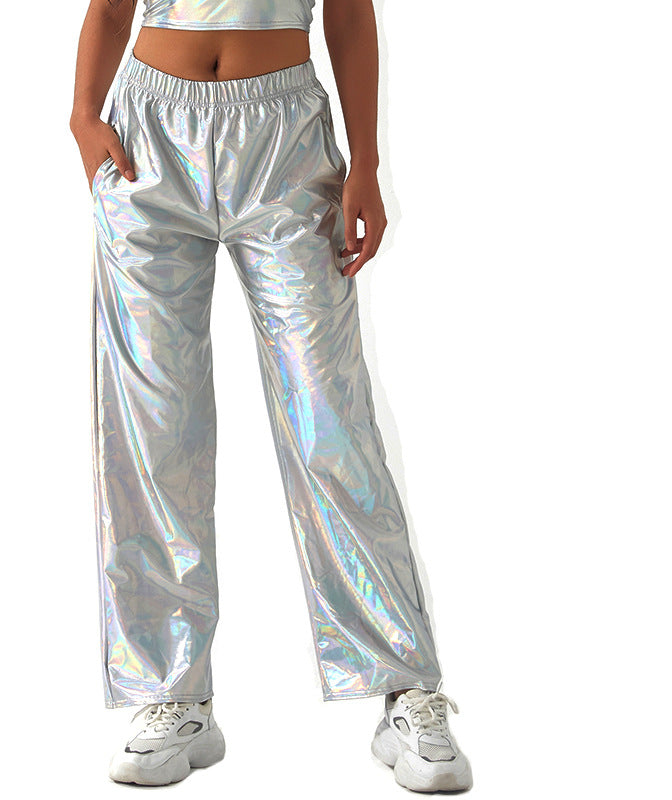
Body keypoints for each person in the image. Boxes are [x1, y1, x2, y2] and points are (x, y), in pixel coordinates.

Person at [69, 0, 473, 792]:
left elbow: (348, 12)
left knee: (329, 420)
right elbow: (113, 5)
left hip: (284, 139)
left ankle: (404, 683)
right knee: (153, 424)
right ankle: (172, 691)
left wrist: (366, 161)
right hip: (149, 136)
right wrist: (84, 114)